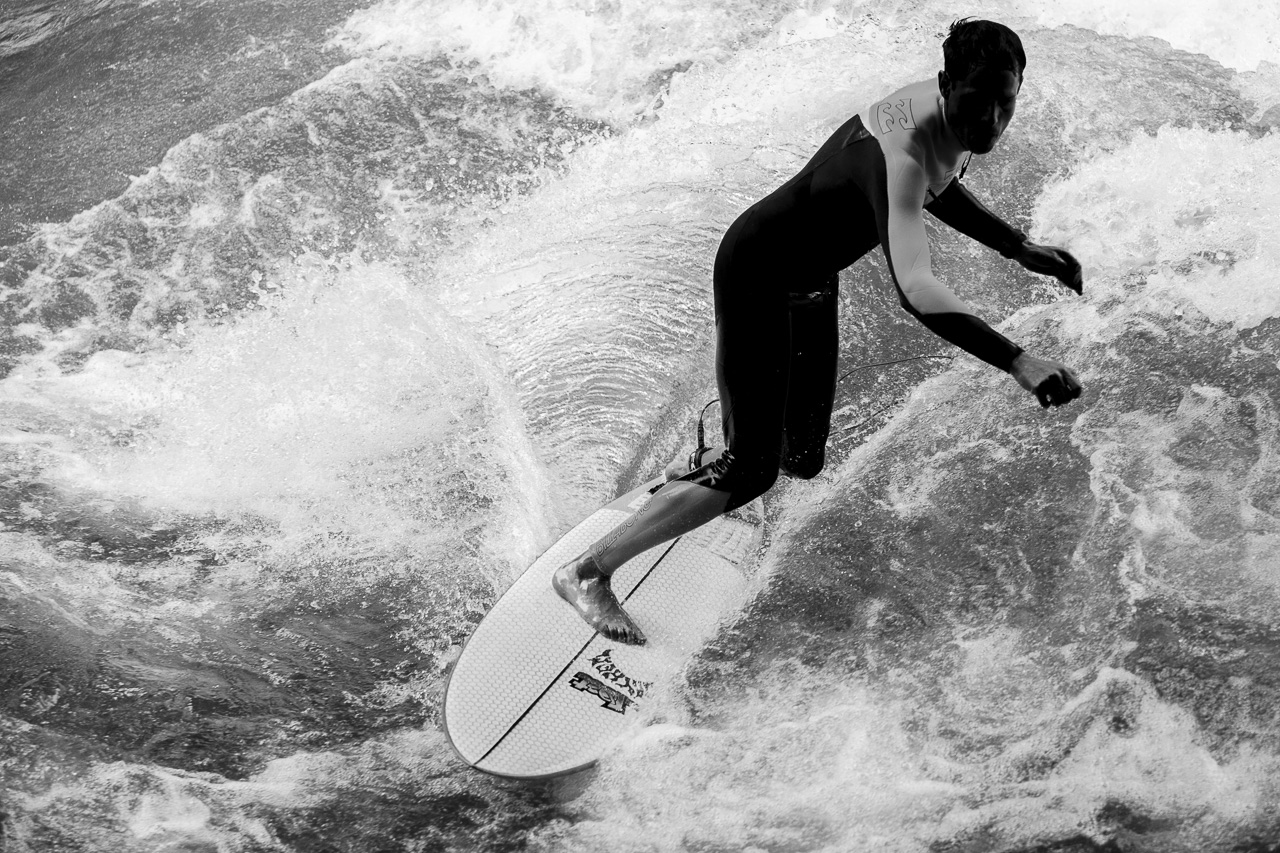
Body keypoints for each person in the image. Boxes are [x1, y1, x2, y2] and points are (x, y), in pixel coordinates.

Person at [552, 18, 1084, 645]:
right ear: (946, 86)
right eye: (977, 104)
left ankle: (716, 454)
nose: (991, 121)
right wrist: (1018, 360)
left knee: (801, 459)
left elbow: (940, 185)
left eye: (1006, 104)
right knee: (754, 471)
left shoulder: (949, 116)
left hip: (809, 281)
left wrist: (1017, 246)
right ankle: (588, 573)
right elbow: (916, 288)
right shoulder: (899, 151)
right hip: (757, 274)